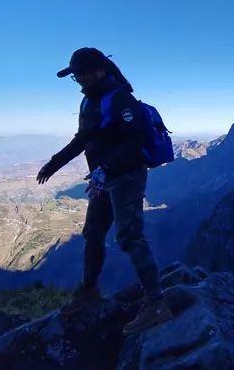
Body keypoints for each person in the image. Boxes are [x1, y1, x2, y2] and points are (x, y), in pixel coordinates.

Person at [36, 47, 172, 335]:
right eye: (76, 77)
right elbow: (82, 141)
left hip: (126, 177)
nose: (80, 80)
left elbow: (133, 142)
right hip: (102, 179)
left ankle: (157, 303)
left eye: (82, 74)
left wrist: (105, 169)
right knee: (93, 233)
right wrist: (53, 164)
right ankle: (89, 291)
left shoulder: (120, 99)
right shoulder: (89, 103)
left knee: (129, 236)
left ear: (100, 70)